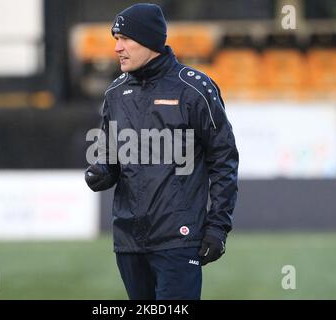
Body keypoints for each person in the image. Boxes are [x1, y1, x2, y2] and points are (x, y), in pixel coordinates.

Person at [84, 3, 239, 300]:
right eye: (116, 39)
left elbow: (224, 160)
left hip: (177, 240)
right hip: (128, 241)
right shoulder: (114, 93)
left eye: (125, 39)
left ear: (150, 41)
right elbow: (108, 154)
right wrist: (102, 171)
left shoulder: (195, 89)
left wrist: (217, 227)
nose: (117, 48)